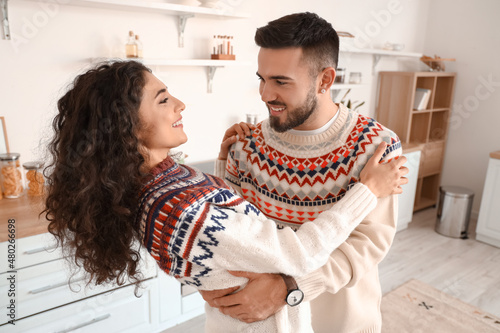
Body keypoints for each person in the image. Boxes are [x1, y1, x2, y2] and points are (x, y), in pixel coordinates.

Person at [43, 61, 407, 332]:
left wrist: (224, 163)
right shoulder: (185, 208)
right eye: (164, 99)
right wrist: (368, 190)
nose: (180, 105)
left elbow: (228, 230)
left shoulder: (154, 186)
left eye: (280, 80)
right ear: (127, 125)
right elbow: (298, 253)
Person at [202, 12, 405, 333]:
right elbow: (235, 231)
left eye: (280, 81)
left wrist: (290, 288)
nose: (265, 94)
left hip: (341, 321)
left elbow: (369, 242)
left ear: (325, 80)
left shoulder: (376, 146)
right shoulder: (246, 144)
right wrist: (224, 162)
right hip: (271, 323)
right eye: (262, 78)